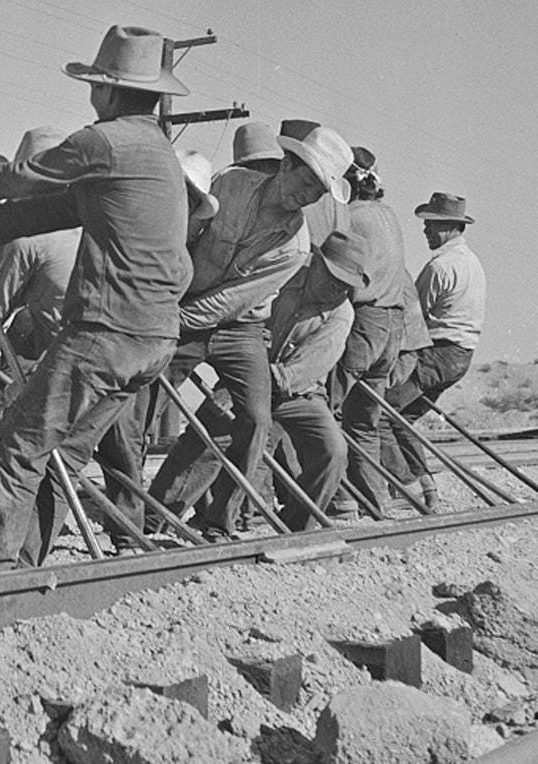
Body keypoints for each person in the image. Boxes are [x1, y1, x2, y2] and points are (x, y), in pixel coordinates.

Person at [0, 26, 192, 573]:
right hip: (156, 339)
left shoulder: (104, 141)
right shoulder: (156, 152)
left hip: (106, 332)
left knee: (18, 444)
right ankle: (21, 563)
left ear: (108, 91)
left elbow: (23, 179)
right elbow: (59, 210)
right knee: (61, 454)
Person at [145, 119, 354, 542]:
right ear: (285, 165)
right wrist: (162, 300)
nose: (307, 194)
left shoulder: (294, 246)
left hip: (239, 327)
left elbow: (230, 302)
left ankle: (218, 520)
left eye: (317, 191)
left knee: (255, 421)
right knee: (142, 395)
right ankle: (139, 519)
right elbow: (185, 236)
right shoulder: (230, 184)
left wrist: (170, 321)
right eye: (306, 180)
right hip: (183, 307)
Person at [151, 232, 368, 532]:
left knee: (332, 451)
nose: (338, 289)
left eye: (345, 285)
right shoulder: (280, 278)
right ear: (316, 263)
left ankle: (296, 525)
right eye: (334, 278)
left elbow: (301, 372)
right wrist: (239, 375)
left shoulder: (342, 314)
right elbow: (242, 330)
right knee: (208, 437)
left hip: (298, 395)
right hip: (249, 380)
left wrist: (248, 376)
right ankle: (156, 519)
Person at [380, 192, 485, 507]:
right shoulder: (471, 262)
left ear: (452, 227)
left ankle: (405, 486)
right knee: (402, 418)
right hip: (460, 355)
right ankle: (428, 489)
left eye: (432, 225)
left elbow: (414, 320)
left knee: (378, 413)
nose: (426, 231)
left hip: (437, 353)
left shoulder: (440, 267)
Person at [326, 147, 412, 515]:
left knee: (327, 412)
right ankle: (375, 501)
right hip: (393, 325)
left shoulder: (351, 217)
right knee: (366, 422)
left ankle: (340, 498)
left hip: (364, 322)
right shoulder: (388, 214)